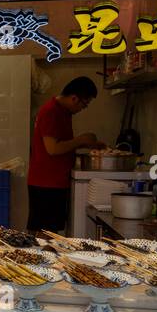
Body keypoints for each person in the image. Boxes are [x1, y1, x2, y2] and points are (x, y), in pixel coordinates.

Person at [26, 76, 102, 234]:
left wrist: (83, 143)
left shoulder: (63, 112)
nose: (83, 108)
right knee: (45, 232)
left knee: (48, 230)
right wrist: (80, 140)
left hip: (53, 181)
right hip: (46, 183)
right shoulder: (52, 112)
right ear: (74, 98)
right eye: (85, 104)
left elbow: (60, 143)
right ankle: (40, 257)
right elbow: (52, 148)